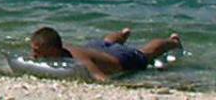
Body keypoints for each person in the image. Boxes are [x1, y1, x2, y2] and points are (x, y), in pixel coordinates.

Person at [29, 26, 181, 82]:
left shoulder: (79, 60)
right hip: (95, 47)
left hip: (119, 58)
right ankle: (122, 34)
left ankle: (173, 42)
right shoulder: (59, 49)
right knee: (108, 42)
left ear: (53, 50)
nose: (34, 55)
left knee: (145, 54)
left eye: (37, 52)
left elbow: (101, 78)